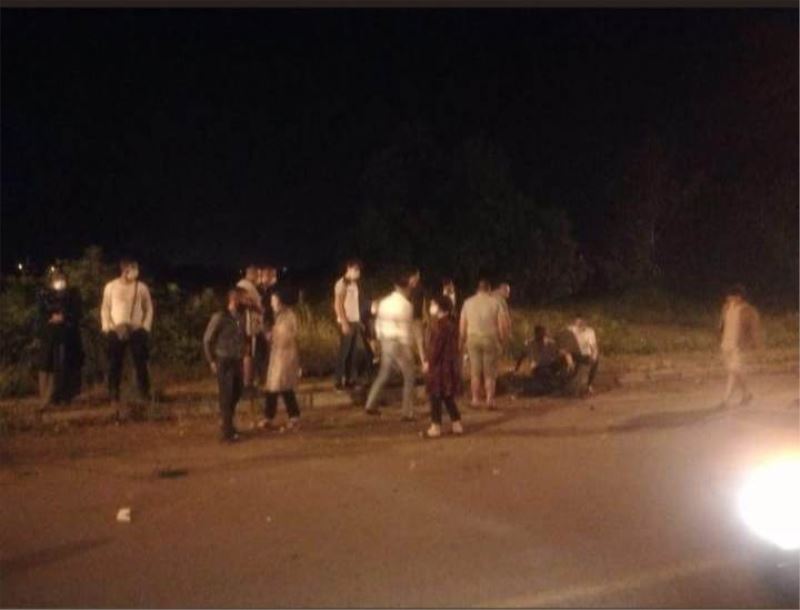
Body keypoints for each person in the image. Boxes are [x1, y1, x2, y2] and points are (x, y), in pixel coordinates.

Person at [364, 271, 416, 421]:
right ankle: (407, 412)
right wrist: (410, 346)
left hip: (386, 340)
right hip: (399, 342)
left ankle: (370, 403)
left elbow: (378, 323)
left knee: (384, 373)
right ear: (406, 288)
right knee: (409, 375)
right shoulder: (407, 306)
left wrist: (379, 339)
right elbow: (406, 329)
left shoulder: (384, 302)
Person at [100, 259, 154, 403]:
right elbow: (105, 308)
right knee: (114, 364)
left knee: (140, 362)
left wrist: (145, 327)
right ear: (124, 269)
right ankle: (114, 394)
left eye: (136, 268)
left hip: (136, 330)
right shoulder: (110, 287)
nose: (136, 271)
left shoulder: (141, 287)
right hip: (116, 330)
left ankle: (144, 393)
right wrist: (108, 327)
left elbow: (149, 308)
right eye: (132, 268)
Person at [203, 288, 247, 443]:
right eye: (241, 298)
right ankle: (227, 432)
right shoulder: (220, 317)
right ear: (233, 299)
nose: (243, 302)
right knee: (226, 395)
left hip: (236, 359)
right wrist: (211, 360)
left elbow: (241, 337)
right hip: (224, 359)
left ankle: (227, 422)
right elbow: (207, 339)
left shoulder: (239, 317)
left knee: (238, 390)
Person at [36, 270, 84, 408]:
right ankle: (47, 398)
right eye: (57, 280)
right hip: (49, 336)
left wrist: (64, 317)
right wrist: (51, 318)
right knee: (47, 365)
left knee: (65, 365)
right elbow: (41, 313)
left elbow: (77, 312)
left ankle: (65, 397)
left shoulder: (72, 295)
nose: (60, 282)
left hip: (68, 336)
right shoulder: (45, 295)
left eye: (62, 279)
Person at [459, 279, 509, 409]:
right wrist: (503, 341)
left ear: (477, 289)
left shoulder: (467, 303)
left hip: (472, 338)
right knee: (490, 372)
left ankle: (475, 399)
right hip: (490, 339)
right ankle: (489, 400)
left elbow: (462, 324)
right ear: (489, 289)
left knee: (475, 372)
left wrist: (462, 341)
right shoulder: (495, 303)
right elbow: (502, 325)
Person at [261, 288, 302, 429]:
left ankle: (292, 416)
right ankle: (270, 416)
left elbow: (289, 334)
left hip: (286, 354)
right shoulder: (276, 316)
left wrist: (274, 335)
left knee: (283, 385)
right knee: (274, 386)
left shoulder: (288, 316)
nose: (272, 303)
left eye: (274, 300)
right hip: (277, 354)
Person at [424, 295, 463, 438]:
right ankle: (456, 424)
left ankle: (435, 426)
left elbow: (435, 348)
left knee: (435, 396)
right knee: (447, 396)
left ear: (441, 308)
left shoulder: (440, 326)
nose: (431, 307)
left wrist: (428, 362)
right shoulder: (451, 324)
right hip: (449, 365)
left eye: (433, 305)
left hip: (439, 367)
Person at [718, 284, 763, 407]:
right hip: (726, 344)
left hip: (739, 345)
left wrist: (755, 343)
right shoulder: (726, 308)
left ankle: (726, 399)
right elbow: (722, 324)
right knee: (735, 371)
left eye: (731, 296)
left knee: (734, 370)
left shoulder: (749, 311)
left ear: (739, 297)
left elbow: (754, 329)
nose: (728, 298)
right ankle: (747, 394)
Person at [333, 260, 369, 389]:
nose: (358, 273)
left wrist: (359, 321)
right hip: (346, 321)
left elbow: (354, 304)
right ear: (348, 268)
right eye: (356, 270)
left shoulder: (354, 284)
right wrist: (344, 323)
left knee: (353, 353)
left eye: (359, 270)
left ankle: (349, 380)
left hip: (354, 321)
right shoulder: (342, 283)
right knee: (344, 352)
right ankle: (338, 381)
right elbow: (338, 304)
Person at [236, 265, 264, 393]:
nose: (258, 277)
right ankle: (247, 384)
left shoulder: (250, 286)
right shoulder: (243, 285)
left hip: (253, 326)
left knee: (251, 353)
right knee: (248, 353)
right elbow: (244, 300)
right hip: (246, 325)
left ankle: (250, 381)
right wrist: (258, 308)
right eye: (257, 274)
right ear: (251, 273)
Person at [516, 325, 566, 395]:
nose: (542, 335)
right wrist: (517, 368)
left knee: (560, 364)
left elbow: (559, 352)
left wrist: (563, 356)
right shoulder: (530, 344)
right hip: (538, 367)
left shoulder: (550, 343)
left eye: (543, 333)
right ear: (536, 334)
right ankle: (550, 386)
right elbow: (522, 356)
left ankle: (556, 383)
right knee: (544, 373)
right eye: (540, 333)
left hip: (550, 365)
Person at [561, 315, 600, 396]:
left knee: (595, 362)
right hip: (572, 354)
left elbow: (594, 346)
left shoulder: (590, 332)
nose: (579, 325)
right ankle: (564, 385)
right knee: (564, 362)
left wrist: (594, 356)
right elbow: (565, 348)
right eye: (577, 323)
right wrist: (569, 360)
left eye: (581, 323)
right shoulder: (569, 331)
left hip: (585, 354)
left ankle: (589, 384)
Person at [254, 266, 278, 385]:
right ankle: (260, 377)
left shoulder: (274, 289)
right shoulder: (257, 289)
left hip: (270, 322)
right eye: (265, 275)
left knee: (270, 351)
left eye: (270, 275)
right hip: (259, 322)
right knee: (260, 351)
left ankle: (269, 376)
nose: (267, 277)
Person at [408, 268, 428, 370]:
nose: (413, 278)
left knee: (420, 342)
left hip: (417, 318)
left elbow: (424, 303)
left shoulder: (420, 288)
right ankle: (411, 364)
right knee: (410, 342)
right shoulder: (408, 289)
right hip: (409, 319)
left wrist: (425, 316)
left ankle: (424, 363)